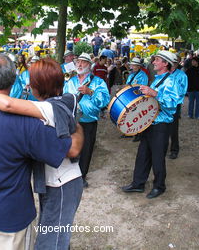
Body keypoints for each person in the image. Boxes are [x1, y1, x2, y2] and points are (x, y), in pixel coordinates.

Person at [0, 54, 82, 250]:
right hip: (13, 212)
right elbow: (71, 149)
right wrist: (79, 128)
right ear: (14, 81)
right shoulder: (25, 123)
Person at [122, 51, 181, 199]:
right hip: (149, 122)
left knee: (157, 157)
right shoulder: (157, 79)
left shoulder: (171, 81)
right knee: (143, 155)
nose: (153, 62)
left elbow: (173, 104)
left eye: (157, 60)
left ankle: (159, 186)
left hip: (161, 125)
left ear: (165, 64)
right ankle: (138, 183)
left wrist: (154, 94)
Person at [64, 53, 110, 187]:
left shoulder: (98, 82)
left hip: (88, 121)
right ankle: (70, 175)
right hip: (72, 120)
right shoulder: (70, 81)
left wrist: (90, 92)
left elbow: (104, 101)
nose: (79, 64)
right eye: (78, 62)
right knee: (71, 148)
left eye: (83, 62)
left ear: (89, 65)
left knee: (86, 150)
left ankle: (81, 176)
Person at [168, 55, 188, 159]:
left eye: (173, 63)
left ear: (176, 64)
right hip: (163, 105)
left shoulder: (182, 75)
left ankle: (174, 149)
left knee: (173, 129)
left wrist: (170, 98)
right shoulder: (164, 73)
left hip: (174, 105)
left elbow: (182, 92)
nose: (171, 65)